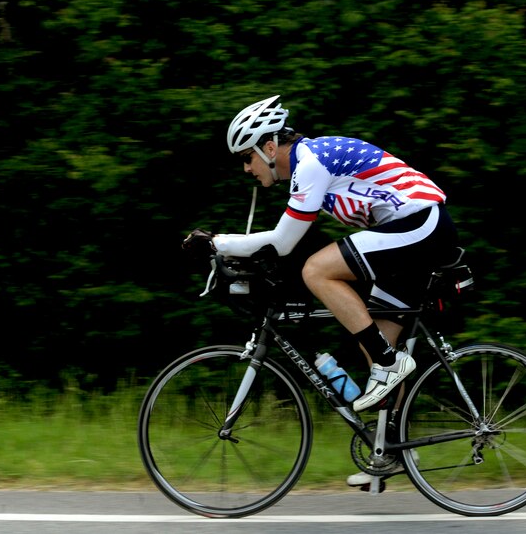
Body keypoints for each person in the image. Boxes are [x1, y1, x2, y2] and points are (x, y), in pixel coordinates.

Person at [182, 94, 459, 487]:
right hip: (410, 231)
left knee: (319, 272)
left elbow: (282, 242)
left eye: (247, 157)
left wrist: (217, 242)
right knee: (375, 343)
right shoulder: (308, 166)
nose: (246, 168)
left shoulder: (310, 164)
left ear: (269, 146)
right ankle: (392, 450)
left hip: (420, 225)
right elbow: (284, 245)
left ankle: (390, 366)